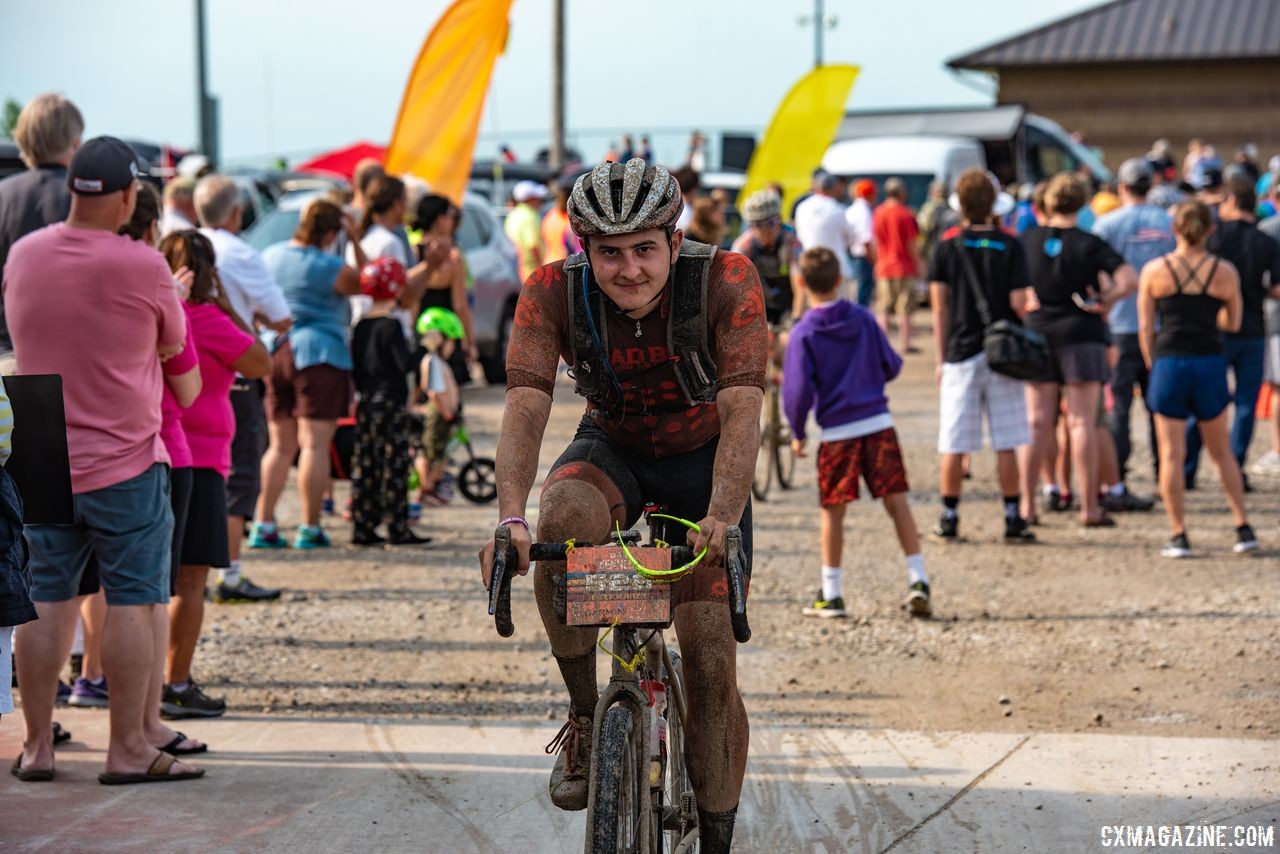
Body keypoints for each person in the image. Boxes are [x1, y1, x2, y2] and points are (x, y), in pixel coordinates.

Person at [477, 158, 766, 851]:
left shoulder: (726, 280)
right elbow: (525, 405)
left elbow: (743, 407)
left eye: (644, 250)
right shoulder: (552, 291)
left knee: (706, 660)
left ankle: (718, 839)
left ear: (674, 240)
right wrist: (510, 519)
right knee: (562, 523)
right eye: (609, 253)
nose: (629, 269)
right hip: (615, 445)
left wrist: (722, 516)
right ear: (585, 249)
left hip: (705, 463)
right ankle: (584, 714)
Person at [6, 136, 202, 783]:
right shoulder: (143, 265)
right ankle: (127, 750)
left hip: (39, 450)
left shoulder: (24, 255)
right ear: (126, 196)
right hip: (123, 454)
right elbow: (189, 384)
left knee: (44, 600)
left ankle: (36, 747)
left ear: (72, 189)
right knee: (132, 595)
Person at [782, 247, 931, 618]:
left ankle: (832, 593)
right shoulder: (863, 319)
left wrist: (798, 430)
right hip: (878, 424)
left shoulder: (804, 333)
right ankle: (918, 579)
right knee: (897, 504)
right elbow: (892, 365)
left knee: (833, 512)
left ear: (802, 283)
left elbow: (797, 390)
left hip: (837, 433)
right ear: (839, 280)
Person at [161, 230, 272, 717]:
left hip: (148, 453)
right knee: (190, 580)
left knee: (134, 583)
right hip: (200, 457)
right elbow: (260, 361)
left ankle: (102, 678)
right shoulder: (205, 318)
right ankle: (176, 683)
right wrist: (226, 302)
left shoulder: (152, 313)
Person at [1137, 201, 1258, 557]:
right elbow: (1233, 323)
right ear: (1210, 230)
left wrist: (1151, 363)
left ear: (1175, 229)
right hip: (1208, 361)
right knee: (1222, 452)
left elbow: (1147, 327)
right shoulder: (1224, 271)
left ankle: (1179, 532)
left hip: (1170, 361)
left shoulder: (1155, 270)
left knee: (1171, 453)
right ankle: (1241, 525)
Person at [1019, 173, 1138, 528]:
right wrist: (1105, 301)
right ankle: (1089, 507)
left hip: (1038, 332)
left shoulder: (1027, 239)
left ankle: (1027, 506)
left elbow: (1013, 287)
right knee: (1082, 421)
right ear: (1083, 203)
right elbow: (1129, 279)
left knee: (1037, 423)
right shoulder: (1090, 242)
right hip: (1082, 333)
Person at [926, 169, 1036, 544]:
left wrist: (940, 358)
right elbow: (1021, 302)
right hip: (1001, 352)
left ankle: (950, 514)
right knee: (1006, 439)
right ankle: (1011, 515)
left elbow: (939, 308)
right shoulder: (1011, 245)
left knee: (955, 442)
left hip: (959, 350)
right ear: (993, 203)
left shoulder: (946, 246)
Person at [195, 174, 292, 593]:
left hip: (180, 373)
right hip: (232, 372)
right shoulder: (241, 253)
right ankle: (230, 574)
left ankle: (192, 571)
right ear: (236, 213)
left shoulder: (179, 243)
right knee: (235, 478)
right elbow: (281, 317)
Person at [253, 200, 365, 552]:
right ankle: (309, 526)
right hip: (320, 354)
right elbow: (368, 282)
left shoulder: (271, 255)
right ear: (332, 233)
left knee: (280, 445)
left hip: (277, 350)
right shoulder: (331, 266)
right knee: (314, 445)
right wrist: (357, 239)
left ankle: (264, 523)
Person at [1183, 171, 1280, 489]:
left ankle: (1187, 469)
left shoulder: (1216, 237)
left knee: (1202, 400)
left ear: (1232, 200)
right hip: (1252, 327)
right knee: (1245, 403)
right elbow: (1276, 288)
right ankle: (1234, 468)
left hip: (1215, 327)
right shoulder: (1265, 240)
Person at [1093, 158, 1174, 512]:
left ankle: (1118, 478)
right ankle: (1165, 476)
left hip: (1121, 327)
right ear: (1152, 184)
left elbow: (1095, 272)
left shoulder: (1106, 224)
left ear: (1122, 188)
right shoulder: (1168, 223)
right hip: (1161, 327)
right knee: (1160, 408)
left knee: (1119, 408)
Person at [349, 258, 430, 546]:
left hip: (367, 402)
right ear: (396, 289)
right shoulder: (391, 326)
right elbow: (403, 364)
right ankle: (397, 527)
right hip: (391, 404)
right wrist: (423, 348)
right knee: (394, 464)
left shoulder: (360, 326)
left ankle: (363, 526)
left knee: (366, 464)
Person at [0, 93, 83, 373]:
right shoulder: (84, 198)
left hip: (8, 356)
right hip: (73, 356)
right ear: (74, 142)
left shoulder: (3, 195)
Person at [413, 194, 479, 378]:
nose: (453, 221)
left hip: (419, 330)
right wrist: (470, 340)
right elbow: (460, 304)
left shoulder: (413, 251)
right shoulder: (452, 257)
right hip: (447, 330)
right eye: (450, 215)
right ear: (439, 219)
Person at [414, 308, 464, 505]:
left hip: (443, 413)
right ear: (439, 339)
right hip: (439, 413)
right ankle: (424, 488)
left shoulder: (438, 361)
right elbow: (433, 391)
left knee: (440, 451)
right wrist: (447, 412)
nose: (452, 347)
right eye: (451, 342)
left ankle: (430, 485)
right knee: (430, 452)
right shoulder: (434, 362)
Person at [732, 188, 803, 324]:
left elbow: (800, 286)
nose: (764, 231)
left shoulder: (792, 243)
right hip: (760, 303)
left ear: (779, 219)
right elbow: (734, 287)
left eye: (770, 223)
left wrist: (796, 319)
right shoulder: (744, 245)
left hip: (787, 301)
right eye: (758, 225)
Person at [873, 178, 922, 354]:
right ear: (901, 192)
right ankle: (904, 344)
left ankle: (881, 345)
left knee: (883, 308)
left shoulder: (878, 212)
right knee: (905, 308)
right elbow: (911, 244)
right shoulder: (906, 214)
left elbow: (876, 241)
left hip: (884, 266)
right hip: (904, 266)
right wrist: (920, 265)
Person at [1253, 205, 1280, 475]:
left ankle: (1278, 449)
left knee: (1278, 389)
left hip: (1276, 320)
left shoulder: (1268, 228)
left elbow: (1259, 279)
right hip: (1274, 320)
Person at [794, 171, 855, 287]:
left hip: (809, 266)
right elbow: (850, 238)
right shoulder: (839, 209)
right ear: (833, 188)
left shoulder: (802, 207)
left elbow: (799, 234)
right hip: (836, 268)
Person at [505, 180, 547, 283]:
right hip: (531, 271)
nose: (540, 201)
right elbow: (533, 245)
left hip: (516, 269)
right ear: (530, 199)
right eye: (537, 198)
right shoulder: (530, 217)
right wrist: (542, 269)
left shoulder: (513, 214)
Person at [847, 179, 878, 307]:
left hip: (853, 254)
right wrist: (873, 259)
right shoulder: (864, 211)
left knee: (856, 290)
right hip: (863, 257)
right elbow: (866, 239)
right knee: (863, 293)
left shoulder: (852, 209)